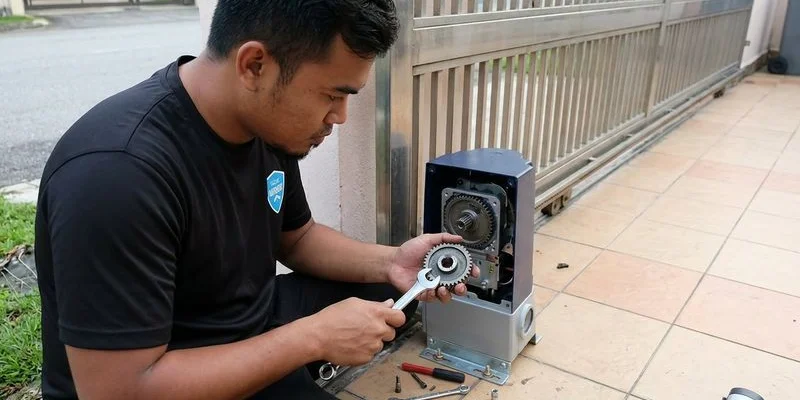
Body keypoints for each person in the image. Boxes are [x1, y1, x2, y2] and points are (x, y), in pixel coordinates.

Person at [33, 1, 479, 399]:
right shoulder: (117, 174)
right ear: (254, 65)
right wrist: (312, 338)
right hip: (171, 369)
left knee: (395, 290)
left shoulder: (265, 125)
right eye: (332, 94)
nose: (339, 117)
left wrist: (392, 263)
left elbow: (298, 238)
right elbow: (117, 390)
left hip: (247, 318)